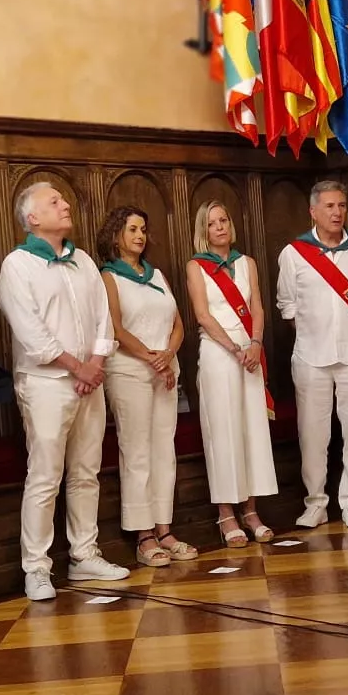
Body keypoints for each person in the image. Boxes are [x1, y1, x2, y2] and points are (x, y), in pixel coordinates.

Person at [0, 182, 132, 600]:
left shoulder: (84, 261)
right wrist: (77, 366)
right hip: (47, 383)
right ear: (32, 218)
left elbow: (104, 319)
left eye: (64, 199)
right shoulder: (17, 265)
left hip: (89, 378)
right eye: (54, 202)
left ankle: (83, 554)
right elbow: (30, 331)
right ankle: (36, 567)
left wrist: (97, 363)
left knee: (87, 470)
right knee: (45, 475)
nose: (66, 204)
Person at [276, 181, 348, 530]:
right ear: (313, 211)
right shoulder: (293, 254)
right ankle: (316, 502)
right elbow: (287, 307)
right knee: (312, 434)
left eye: (341, 205)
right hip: (310, 357)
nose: (337, 212)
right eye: (329, 207)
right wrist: (311, 338)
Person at [97, 205, 195, 567]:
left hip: (165, 370)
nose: (139, 235)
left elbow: (178, 324)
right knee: (136, 452)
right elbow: (116, 328)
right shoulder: (109, 276)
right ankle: (143, 536)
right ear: (115, 235)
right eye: (132, 229)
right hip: (129, 370)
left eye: (143, 229)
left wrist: (167, 355)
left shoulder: (157, 276)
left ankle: (165, 529)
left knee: (163, 450)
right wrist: (152, 357)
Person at [187, 202, 279, 547]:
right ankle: (226, 513)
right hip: (218, 353)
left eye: (224, 220)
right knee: (223, 432)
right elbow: (202, 315)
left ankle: (251, 510)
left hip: (250, 352)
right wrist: (235, 348)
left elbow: (257, 306)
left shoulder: (247, 263)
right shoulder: (197, 267)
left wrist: (254, 344)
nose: (220, 227)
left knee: (252, 429)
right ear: (204, 231)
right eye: (212, 223)